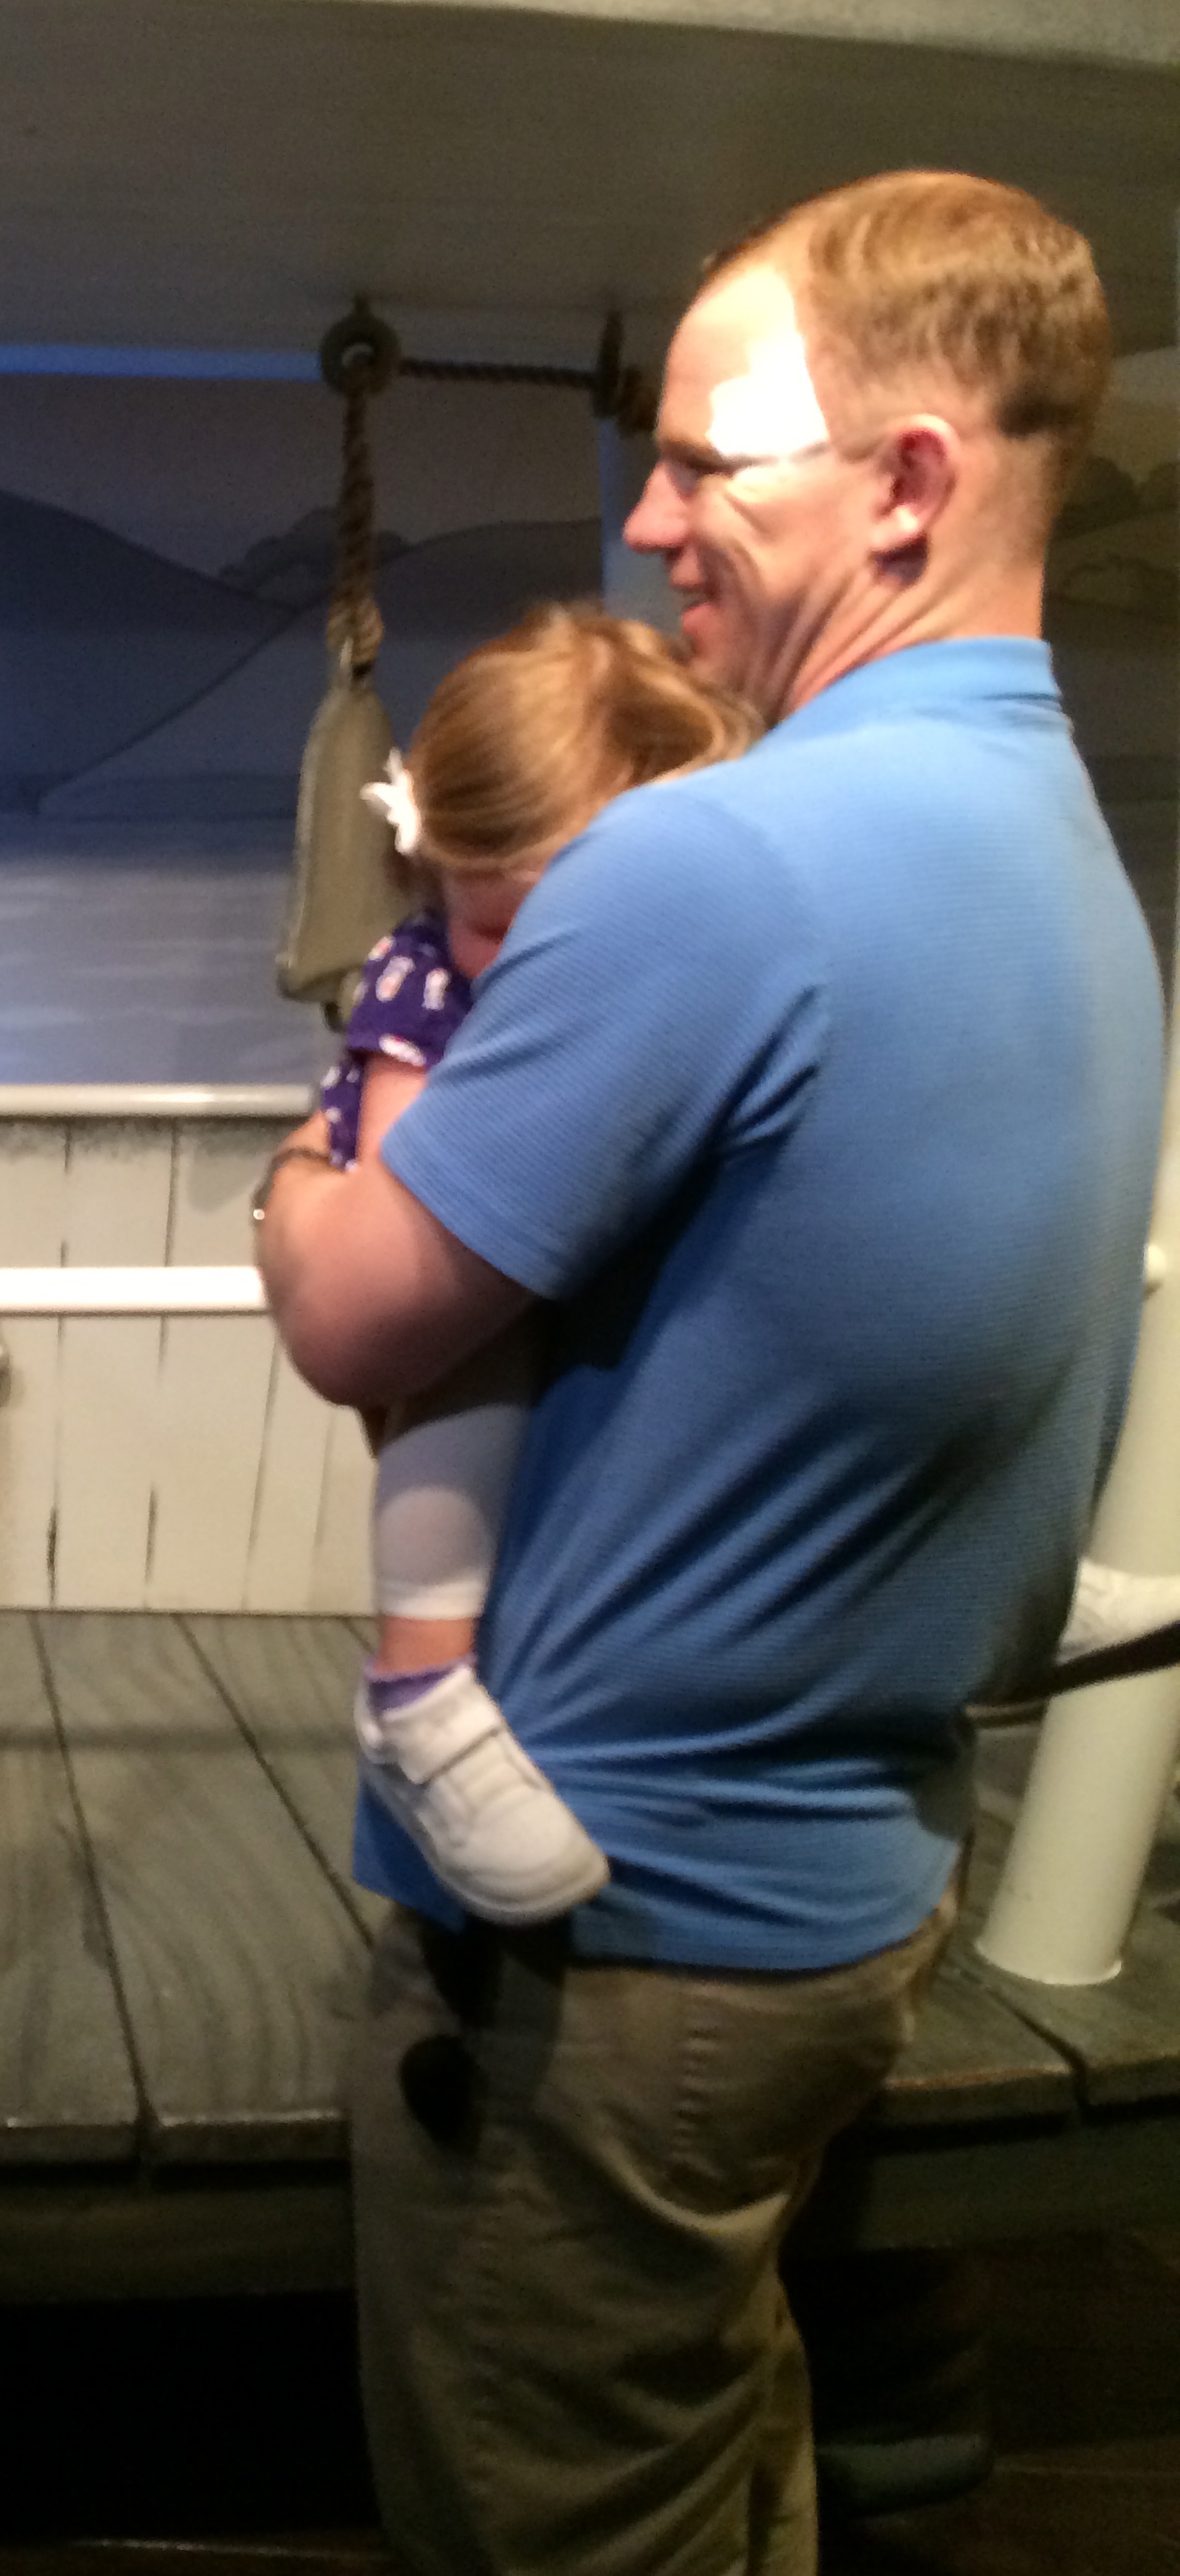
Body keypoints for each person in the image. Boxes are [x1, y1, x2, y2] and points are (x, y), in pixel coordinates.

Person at [257, 170, 1165, 2576]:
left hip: (615, 1938)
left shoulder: (716, 864)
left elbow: (356, 1312)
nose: (650, 522)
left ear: (907, 480)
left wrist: (297, 1170)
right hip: (845, 1893)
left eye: (701, 463)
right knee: (704, 2482)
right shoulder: (1067, 858)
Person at [318, 605, 756, 1925]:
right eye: (503, 925)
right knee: (469, 1371)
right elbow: (401, 1197)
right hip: (477, 1254)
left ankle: (981, 1555)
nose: (540, 965)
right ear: (430, 872)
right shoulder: (425, 983)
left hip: (610, 1246)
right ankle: (418, 1685)